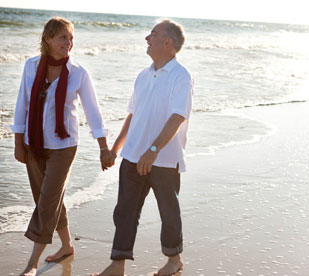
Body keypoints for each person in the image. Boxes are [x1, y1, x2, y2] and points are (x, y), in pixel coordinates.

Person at [10, 17, 112, 276]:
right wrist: (18, 143)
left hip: (64, 145)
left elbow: (93, 112)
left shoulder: (78, 72)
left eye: (71, 38)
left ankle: (32, 263)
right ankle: (67, 246)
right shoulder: (31, 67)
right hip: (34, 144)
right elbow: (22, 105)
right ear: (48, 39)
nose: (69, 43)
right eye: (63, 37)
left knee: (47, 202)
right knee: (48, 199)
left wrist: (103, 147)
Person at [91, 19, 193, 276]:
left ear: (167, 42)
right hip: (133, 156)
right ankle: (118, 265)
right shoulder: (143, 75)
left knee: (169, 212)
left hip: (164, 159)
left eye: (153, 34)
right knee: (125, 212)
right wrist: (115, 149)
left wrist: (154, 150)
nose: (147, 38)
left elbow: (177, 116)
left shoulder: (181, 76)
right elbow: (132, 116)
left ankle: (174, 260)